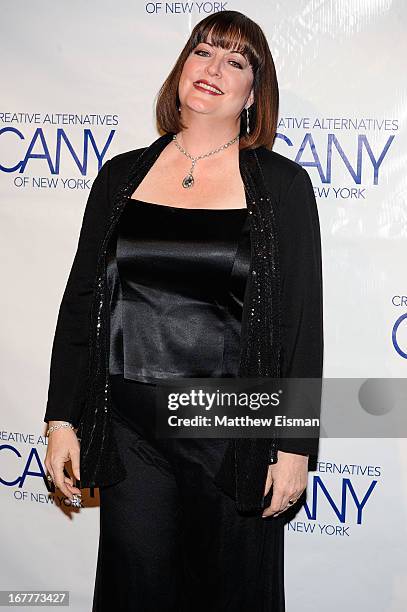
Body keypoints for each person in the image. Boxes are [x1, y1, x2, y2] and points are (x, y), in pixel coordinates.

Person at [43, 9, 323, 611]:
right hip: (129, 428)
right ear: (180, 69)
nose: (214, 68)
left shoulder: (282, 186)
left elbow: (301, 323)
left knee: (230, 593)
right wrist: (62, 416)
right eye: (204, 51)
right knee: (133, 592)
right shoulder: (121, 177)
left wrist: (296, 446)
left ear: (254, 92)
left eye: (236, 61)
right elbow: (83, 299)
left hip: (230, 429)